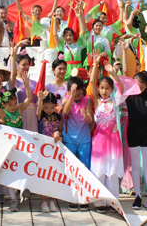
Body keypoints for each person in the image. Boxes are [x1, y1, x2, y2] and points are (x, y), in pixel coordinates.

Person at [89, 53, 129, 214]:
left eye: (107, 88)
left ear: (111, 89)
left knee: (112, 172)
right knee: (98, 170)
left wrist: (112, 72)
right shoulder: (97, 102)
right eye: (102, 88)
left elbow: (123, 87)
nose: (104, 91)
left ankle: (113, 201)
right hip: (99, 141)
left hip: (113, 142)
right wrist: (96, 64)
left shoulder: (116, 102)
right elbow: (92, 81)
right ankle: (99, 201)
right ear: (98, 90)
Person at [125, 38, 147, 213]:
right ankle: (138, 196)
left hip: (146, 133)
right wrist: (124, 51)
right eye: (136, 84)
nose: (139, 87)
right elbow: (124, 71)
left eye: (142, 85)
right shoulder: (129, 93)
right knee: (135, 166)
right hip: (132, 133)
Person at [0, 71, 32, 212]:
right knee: (10, 173)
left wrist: (27, 86)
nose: (13, 106)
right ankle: (14, 200)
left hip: (21, 147)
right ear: (4, 105)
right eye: (10, 104)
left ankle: (22, 192)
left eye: (15, 103)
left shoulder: (19, 110)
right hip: (8, 148)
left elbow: (29, 99)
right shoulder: (3, 113)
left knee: (22, 170)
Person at [61, 76, 93, 211]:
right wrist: (71, 96)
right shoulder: (65, 99)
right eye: (75, 93)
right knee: (71, 169)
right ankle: (73, 197)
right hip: (69, 139)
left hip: (84, 139)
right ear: (69, 91)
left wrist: (85, 115)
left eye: (80, 93)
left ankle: (84, 197)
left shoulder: (87, 100)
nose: (78, 96)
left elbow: (90, 120)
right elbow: (65, 111)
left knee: (85, 169)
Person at [36, 91, 62, 213]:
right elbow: (38, 110)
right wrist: (40, 100)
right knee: (43, 175)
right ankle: (43, 200)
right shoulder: (41, 115)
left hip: (54, 150)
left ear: (56, 106)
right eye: (46, 108)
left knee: (53, 175)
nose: (49, 110)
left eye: (52, 108)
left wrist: (58, 133)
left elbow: (59, 130)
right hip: (42, 149)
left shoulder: (58, 116)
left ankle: (52, 199)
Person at [8, 39, 38, 132]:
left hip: (32, 114)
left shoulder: (34, 83)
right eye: (23, 64)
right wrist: (15, 49)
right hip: (20, 112)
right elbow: (12, 73)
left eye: (28, 64)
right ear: (17, 67)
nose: (26, 67)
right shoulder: (14, 82)